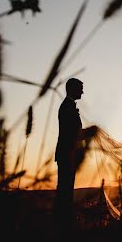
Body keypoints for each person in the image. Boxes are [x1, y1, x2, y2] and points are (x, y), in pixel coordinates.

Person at [54, 77, 83, 224]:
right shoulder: (67, 107)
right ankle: (62, 221)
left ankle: (63, 219)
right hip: (66, 154)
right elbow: (71, 133)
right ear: (72, 89)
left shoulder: (68, 106)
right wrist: (87, 134)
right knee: (64, 189)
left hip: (68, 154)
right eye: (80, 89)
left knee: (66, 188)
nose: (82, 92)